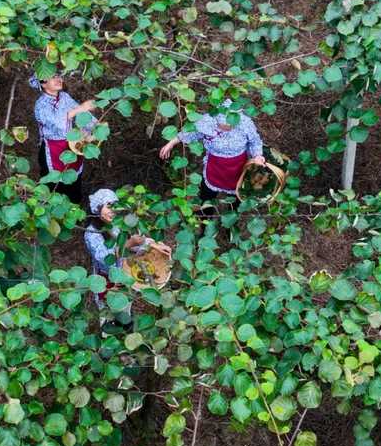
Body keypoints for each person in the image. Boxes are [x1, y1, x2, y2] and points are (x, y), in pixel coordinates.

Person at [84, 189, 170, 322]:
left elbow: (136, 241)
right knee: (108, 305)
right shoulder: (92, 233)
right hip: (107, 276)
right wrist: (129, 243)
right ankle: (107, 328)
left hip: (125, 270)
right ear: (97, 208)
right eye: (108, 206)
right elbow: (104, 257)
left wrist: (153, 245)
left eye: (115, 206)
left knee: (125, 301)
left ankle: (124, 319)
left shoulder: (118, 224)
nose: (113, 210)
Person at [159, 102, 266, 204]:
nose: (227, 127)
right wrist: (172, 142)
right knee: (207, 196)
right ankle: (205, 219)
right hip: (215, 167)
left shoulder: (245, 124)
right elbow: (191, 132)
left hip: (238, 168)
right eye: (223, 125)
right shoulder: (208, 122)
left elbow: (255, 141)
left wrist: (257, 156)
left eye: (230, 124)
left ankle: (232, 218)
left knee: (237, 195)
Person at [31, 72, 97, 204]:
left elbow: (80, 113)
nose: (58, 79)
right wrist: (79, 109)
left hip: (72, 146)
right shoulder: (40, 105)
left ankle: (73, 212)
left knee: (73, 181)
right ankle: (52, 214)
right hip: (53, 151)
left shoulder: (64, 97)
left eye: (59, 76)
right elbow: (58, 124)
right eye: (53, 77)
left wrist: (96, 126)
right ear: (43, 84)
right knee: (54, 186)